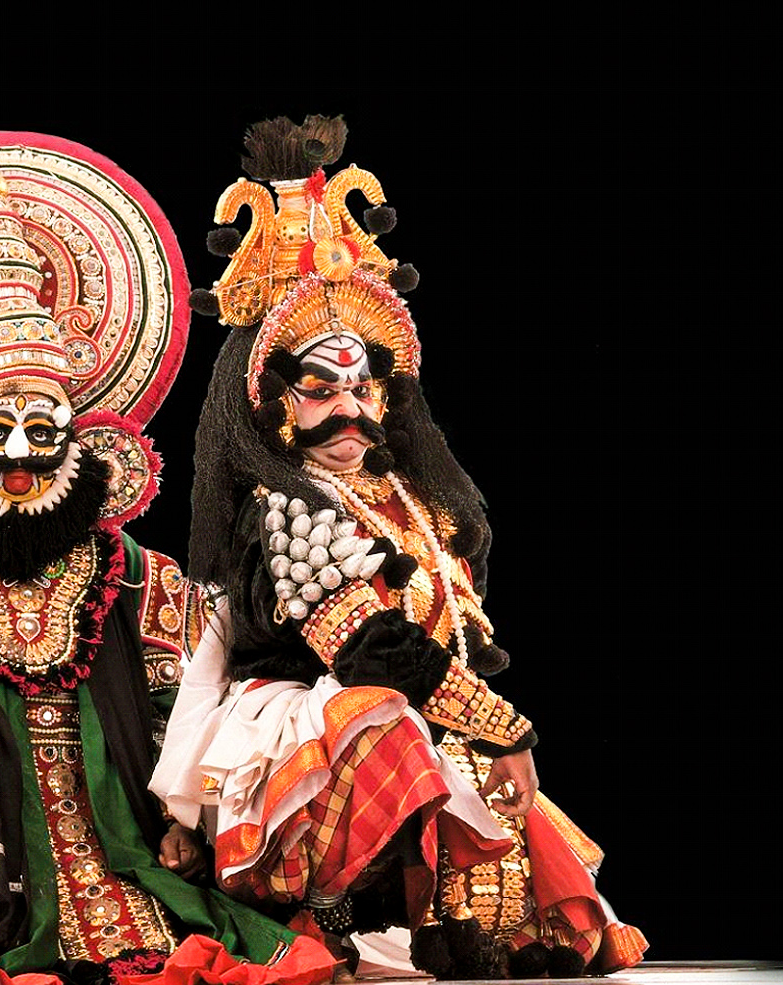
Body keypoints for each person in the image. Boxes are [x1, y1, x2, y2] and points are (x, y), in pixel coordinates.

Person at [149, 116, 647, 980]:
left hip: (427, 715)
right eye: (320, 387)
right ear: (272, 402)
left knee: (529, 906)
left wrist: (487, 737)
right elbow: (370, 648)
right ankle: (323, 908)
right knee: (380, 718)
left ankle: (431, 916)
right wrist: (507, 727)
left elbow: (448, 645)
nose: (349, 408)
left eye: (364, 385)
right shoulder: (282, 508)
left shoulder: (416, 503)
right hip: (306, 730)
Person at [0, 133, 335, 985]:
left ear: (84, 439)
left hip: (122, 826)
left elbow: (183, 703)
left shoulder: (139, 572)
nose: (19, 454)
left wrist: (188, 812)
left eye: (43, 428)